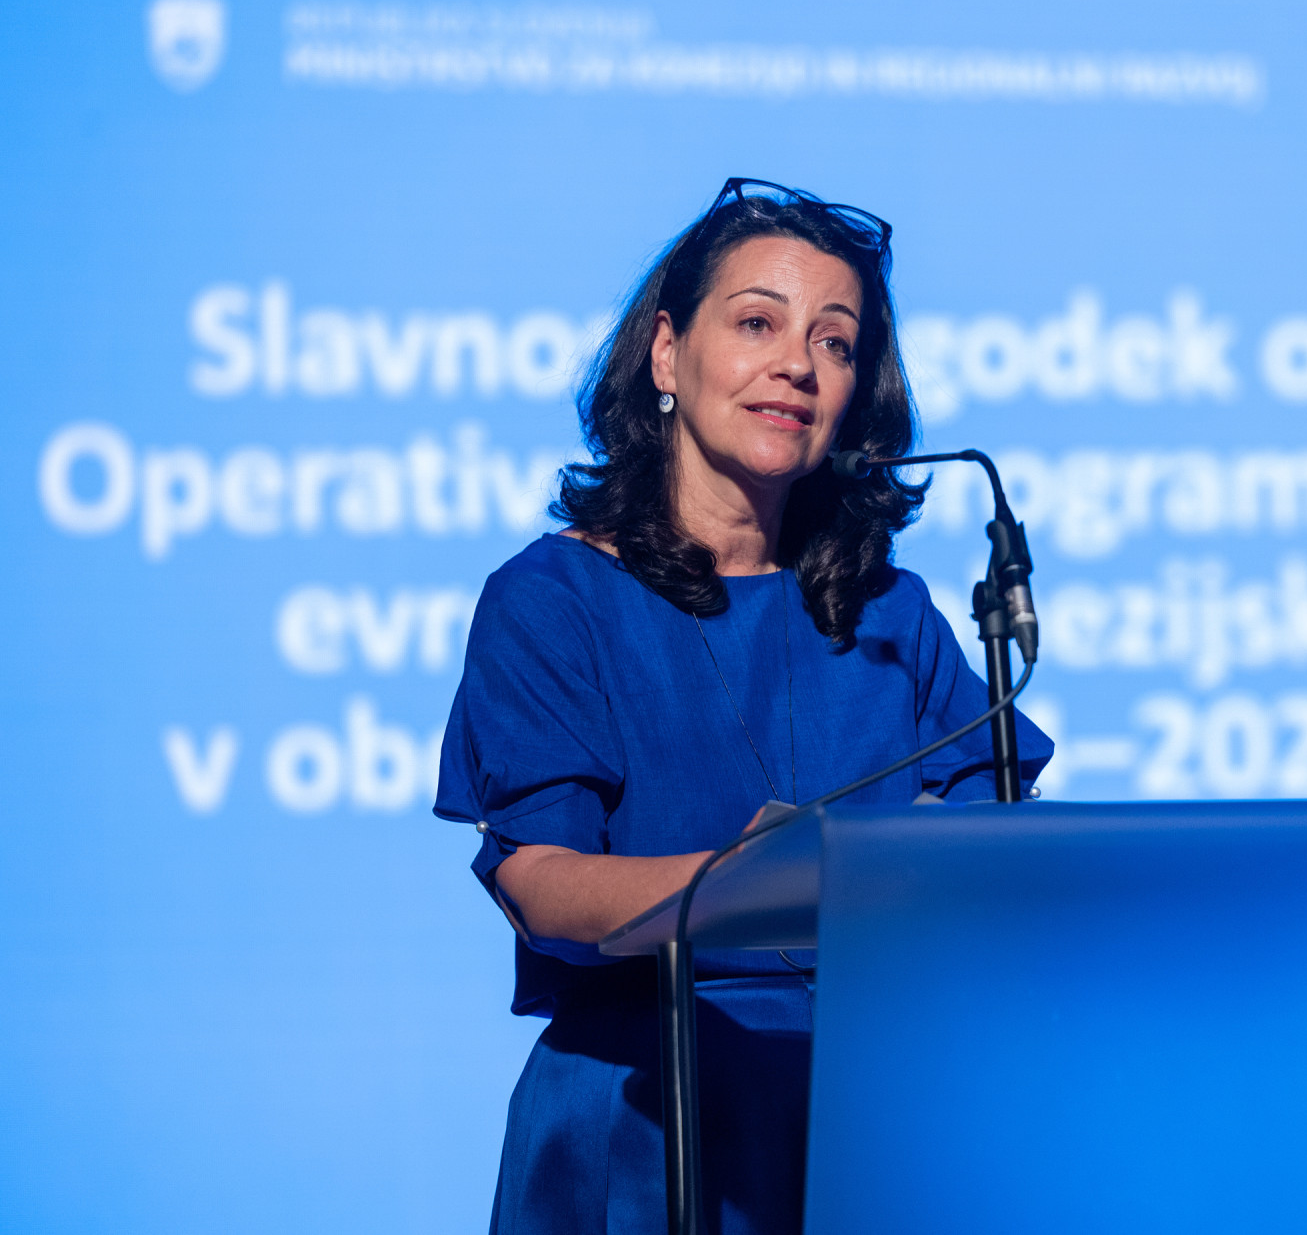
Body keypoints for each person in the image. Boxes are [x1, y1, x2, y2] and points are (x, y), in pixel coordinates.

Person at [433, 179, 1053, 1235]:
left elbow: (980, 844)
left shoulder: (891, 614)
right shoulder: (552, 599)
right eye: (758, 322)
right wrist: (754, 885)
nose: (798, 365)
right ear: (666, 354)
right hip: (647, 1106)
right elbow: (539, 881)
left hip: (871, 1110)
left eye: (835, 341)